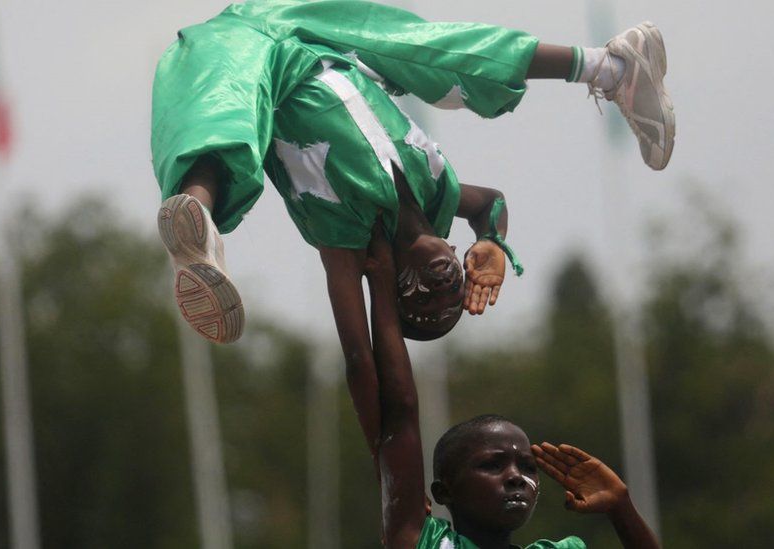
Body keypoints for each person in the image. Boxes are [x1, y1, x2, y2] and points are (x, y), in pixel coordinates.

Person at [153, 0, 674, 458]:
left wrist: (387, 460)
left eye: (425, 301)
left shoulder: (346, 241)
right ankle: (613, 66)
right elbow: (491, 203)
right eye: (455, 292)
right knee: (430, 52)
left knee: (226, 114)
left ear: (391, 283)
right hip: (314, 33)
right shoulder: (440, 194)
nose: (446, 286)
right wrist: (492, 241)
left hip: (252, 66)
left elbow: (361, 362)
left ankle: (197, 220)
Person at [362, 227, 659, 548]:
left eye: (528, 467)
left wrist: (621, 507)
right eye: (492, 464)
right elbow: (400, 411)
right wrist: (382, 279)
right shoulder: (426, 542)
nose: (517, 477)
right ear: (444, 492)